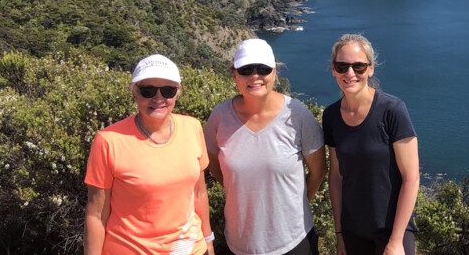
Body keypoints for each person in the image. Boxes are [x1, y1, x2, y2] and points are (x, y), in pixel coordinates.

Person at [204, 38, 327, 255]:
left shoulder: (298, 115)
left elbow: (319, 171)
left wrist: (293, 207)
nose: (255, 76)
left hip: (295, 242)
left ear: (274, 73)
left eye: (263, 69)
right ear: (234, 75)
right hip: (240, 244)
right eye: (246, 69)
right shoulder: (219, 117)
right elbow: (214, 167)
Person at [84, 54, 214, 255]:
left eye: (168, 90)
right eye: (148, 90)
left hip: (191, 249)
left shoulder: (193, 127)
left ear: (178, 91)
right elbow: (96, 215)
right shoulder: (108, 140)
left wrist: (208, 241)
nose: (159, 98)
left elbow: (199, 193)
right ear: (134, 91)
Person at [322, 34, 420, 255]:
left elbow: (411, 177)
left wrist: (395, 242)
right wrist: (339, 234)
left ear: (371, 68)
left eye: (359, 67)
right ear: (333, 69)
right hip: (353, 231)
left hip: (392, 230)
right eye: (342, 66)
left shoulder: (392, 111)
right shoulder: (330, 117)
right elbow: (336, 176)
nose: (350, 74)